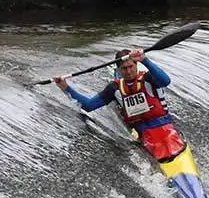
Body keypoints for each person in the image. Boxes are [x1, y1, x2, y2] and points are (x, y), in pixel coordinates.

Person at [53, 47, 186, 162]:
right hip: (143, 134)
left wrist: (144, 59)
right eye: (124, 69)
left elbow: (166, 81)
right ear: (119, 70)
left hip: (166, 128)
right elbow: (88, 105)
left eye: (131, 67)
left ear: (137, 65)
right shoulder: (114, 88)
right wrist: (66, 88)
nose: (128, 72)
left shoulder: (149, 78)